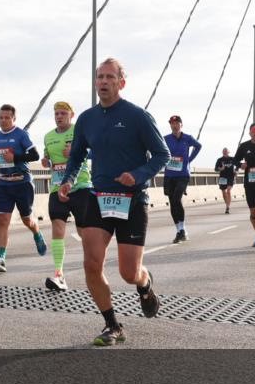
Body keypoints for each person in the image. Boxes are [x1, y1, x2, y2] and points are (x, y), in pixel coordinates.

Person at [59, 58, 170, 346]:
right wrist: (68, 180)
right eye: (100, 77)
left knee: (129, 272)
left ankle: (145, 284)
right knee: (91, 264)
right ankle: (112, 325)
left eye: (110, 77)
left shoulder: (138, 116)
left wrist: (138, 175)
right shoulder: (87, 119)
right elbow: (77, 155)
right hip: (100, 198)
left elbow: (162, 155)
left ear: (122, 82)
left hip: (133, 200)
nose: (104, 82)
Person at [0, 104, 46, 273]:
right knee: (3, 220)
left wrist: (15, 157)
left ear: (14, 119)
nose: (3, 121)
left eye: (7, 118)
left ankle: (37, 234)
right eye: (0, 117)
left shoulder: (21, 134)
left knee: (27, 220)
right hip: (4, 183)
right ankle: (1, 257)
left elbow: (35, 155)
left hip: (22, 182)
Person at [39, 101, 91, 290]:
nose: (59, 117)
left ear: (71, 115)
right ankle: (59, 275)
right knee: (57, 227)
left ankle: (93, 268)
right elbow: (48, 157)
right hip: (57, 187)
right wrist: (45, 160)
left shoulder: (80, 130)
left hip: (81, 186)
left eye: (63, 113)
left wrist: (75, 152)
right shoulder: (48, 136)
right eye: (56, 114)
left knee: (83, 232)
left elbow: (94, 151)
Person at [162, 115, 202, 243]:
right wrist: (163, 160)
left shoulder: (187, 138)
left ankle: (183, 228)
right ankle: (179, 230)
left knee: (177, 198)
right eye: (172, 124)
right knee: (172, 202)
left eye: (177, 123)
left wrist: (189, 159)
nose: (174, 126)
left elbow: (198, 146)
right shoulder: (165, 139)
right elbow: (158, 149)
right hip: (169, 175)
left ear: (181, 125)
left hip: (183, 174)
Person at [214, 147, 237, 214]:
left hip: (230, 177)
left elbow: (238, 165)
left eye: (226, 151)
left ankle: (227, 206)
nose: (225, 152)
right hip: (222, 177)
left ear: (228, 152)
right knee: (224, 192)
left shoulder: (232, 159)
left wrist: (236, 171)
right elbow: (215, 169)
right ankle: (227, 204)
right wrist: (220, 169)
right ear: (222, 152)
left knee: (228, 191)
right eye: (224, 151)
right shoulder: (219, 160)